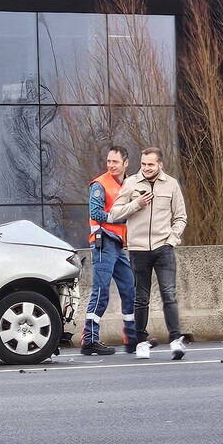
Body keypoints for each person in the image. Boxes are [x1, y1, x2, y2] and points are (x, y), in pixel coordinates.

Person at [109, 147, 188, 360]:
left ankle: (175, 340)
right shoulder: (131, 183)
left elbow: (181, 217)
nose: (146, 168)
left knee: (169, 294)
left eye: (151, 164)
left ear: (160, 165)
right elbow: (114, 213)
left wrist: (172, 240)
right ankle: (141, 342)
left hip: (163, 248)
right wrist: (136, 204)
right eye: (143, 164)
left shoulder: (171, 184)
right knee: (141, 299)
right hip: (138, 249)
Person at [80, 146, 137, 355]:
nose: (111, 165)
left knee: (129, 289)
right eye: (109, 161)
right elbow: (95, 212)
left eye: (115, 162)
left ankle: (132, 337)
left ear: (125, 163)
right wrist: (123, 215)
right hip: (103, 243)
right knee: (101, 292)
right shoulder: (99, 185)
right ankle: (90, 340)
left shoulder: (129, 184)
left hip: (118, 245)